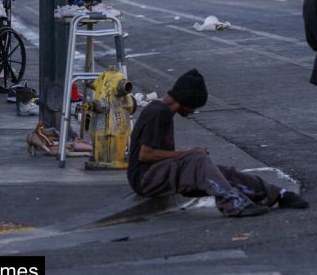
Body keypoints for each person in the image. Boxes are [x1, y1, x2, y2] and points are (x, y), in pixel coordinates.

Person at [128, 69, 309, 217]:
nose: (192, 113)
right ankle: (233, 204)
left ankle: (278, 194)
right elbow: (146, 154)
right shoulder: (157, 112)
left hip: (158, 173)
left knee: (221, 172)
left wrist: (189, 157)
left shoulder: (166, 112)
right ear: (185, 100)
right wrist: (188, 154)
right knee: (197, 158)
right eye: (193, 107)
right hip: (144, 179)